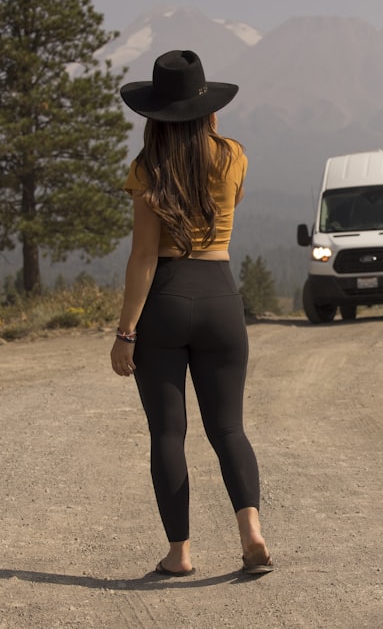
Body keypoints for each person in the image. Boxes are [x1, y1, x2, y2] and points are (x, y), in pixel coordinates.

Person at [110, 49, 273, 576]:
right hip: (220, 296)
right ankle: (251, 530)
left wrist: (125, 331)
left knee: (167, 433)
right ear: (206, 108)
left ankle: (180, 553)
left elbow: (142, 257)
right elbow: (229, 204)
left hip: (166, 299)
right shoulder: (233, 156)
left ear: (154, 114)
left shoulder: (146, 170)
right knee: (229, 428)